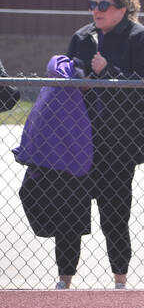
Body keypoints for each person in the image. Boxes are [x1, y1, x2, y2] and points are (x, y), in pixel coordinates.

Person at [63, 0, 144, 289]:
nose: (96, 10)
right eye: (93, 4)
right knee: (70, 214)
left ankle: (120, 281)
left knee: (115, 216)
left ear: (122, 8)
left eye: (103, 5)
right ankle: (63, 281)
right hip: (79, 142)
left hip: (119, 144)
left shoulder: (141, 37)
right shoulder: (82, 37)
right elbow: (68, 77)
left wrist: (109, 73)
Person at [14, 56, 92, 289]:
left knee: (67, 226)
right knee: (69, 226)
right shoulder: (65, 89)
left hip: (50, 167)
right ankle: (65, 279)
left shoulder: (53, 87)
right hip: (68, 169)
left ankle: (64, 279)